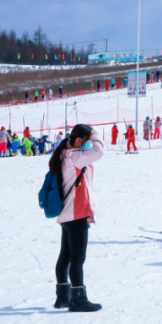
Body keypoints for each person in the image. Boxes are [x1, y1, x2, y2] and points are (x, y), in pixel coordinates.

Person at [50, 124, 103, 312]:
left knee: (65, 256)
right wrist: (96, 137)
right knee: (77, 258)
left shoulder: (67, 153)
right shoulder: (73, 156)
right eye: (87, 139)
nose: (90, 142)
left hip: (68, 213)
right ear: (79, 140)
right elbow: (99, 152)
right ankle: (78, 300)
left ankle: (63, 297)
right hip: (76, 213)